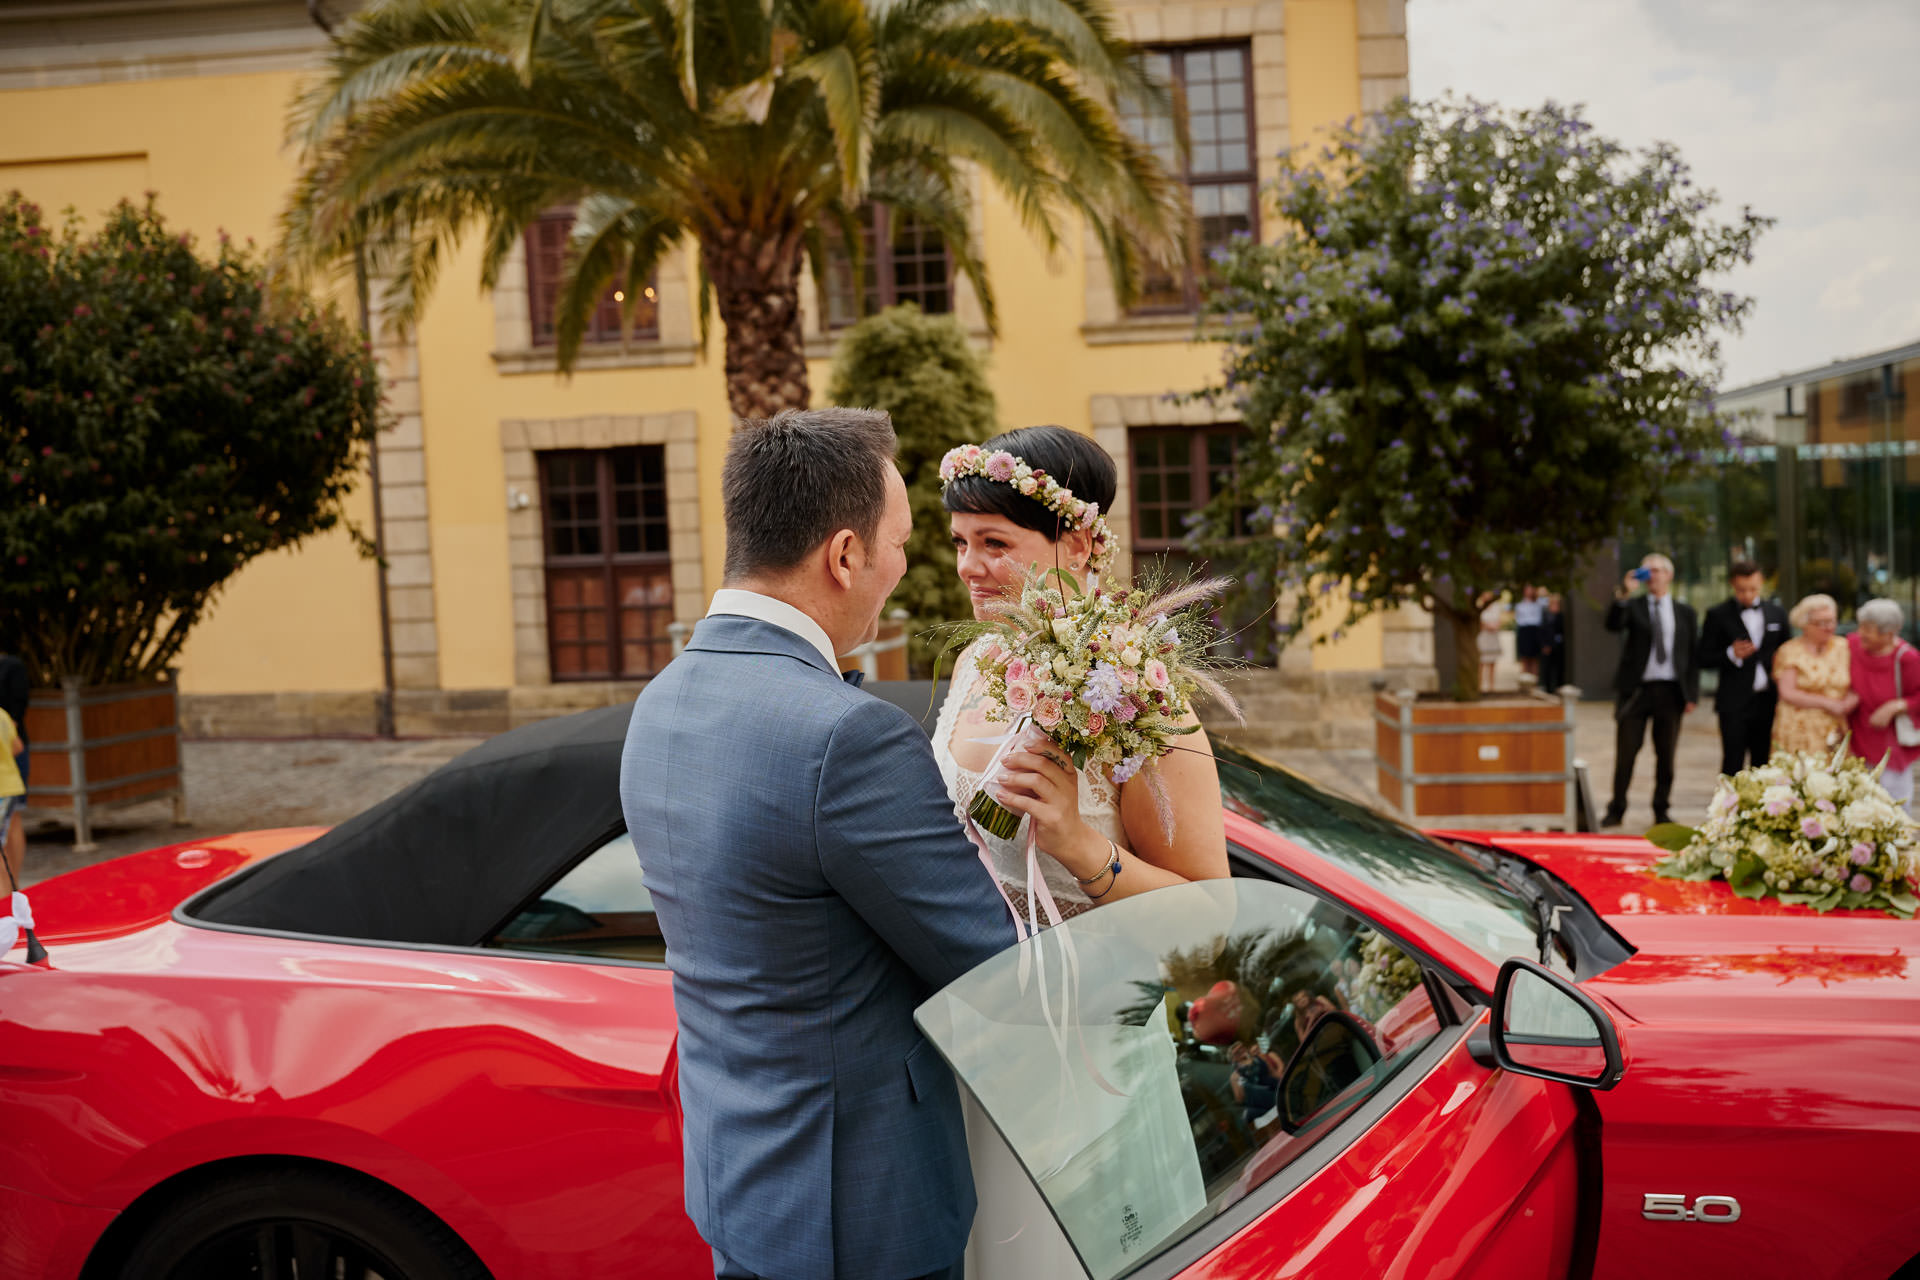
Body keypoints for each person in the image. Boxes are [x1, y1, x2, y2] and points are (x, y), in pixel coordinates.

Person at [619, 408, 1013, 1280]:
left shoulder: (660, 704)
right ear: (843, 555)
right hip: (861, 1217)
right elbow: (993, 966)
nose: (906, 569)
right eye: (901, 543)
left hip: (740, 1189)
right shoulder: (848, 738)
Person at [936, 425, 1229, 920]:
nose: (968, 566)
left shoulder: (1142, 702)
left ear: (1076, 545)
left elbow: (1212, 919)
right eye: (960, 542)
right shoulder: (976, 660)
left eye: (994, 543)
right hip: (967, 981)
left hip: (1086, 988)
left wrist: (1077, 844)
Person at [1603, 553, 1698, 827]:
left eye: (1657, 570)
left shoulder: (1684, 612)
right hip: (1636, 691)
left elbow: (1692, 656)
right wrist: (1624, 592)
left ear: (1669, 575)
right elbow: (1612, 625)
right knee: (1626, 753)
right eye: (1647, 571)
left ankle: (1661, 808)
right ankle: (1616, 808)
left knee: (1666, 755)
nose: (1653, 576)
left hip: (1670, 691)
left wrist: (1690, 694)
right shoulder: (1633, 607)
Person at [1695, 560, 1787, 776]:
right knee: (1733, 761)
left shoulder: (1777, 613)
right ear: (1732, 585)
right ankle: (1728, 808)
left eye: (1753, 589)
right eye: (1741, 590)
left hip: (1768, 699)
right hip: (1733, 701)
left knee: (1764, 762)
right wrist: (1730, 654)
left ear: (1761, 583)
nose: (1747, 595)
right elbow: (1702, 658)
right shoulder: (1717, 615)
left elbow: (1786, 651)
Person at [1846, 599, 1920, 806]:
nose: (1861, 633)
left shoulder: (1907, 658)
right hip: (1856, 738)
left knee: (1892, 805)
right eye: (1860, 626)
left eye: (1868, 630)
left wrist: (1895, 706)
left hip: (1889, 746)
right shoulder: (1852, 645)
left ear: (1889, 634)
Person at [1771, 593, 1853, 758]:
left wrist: (1848, 704)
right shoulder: (1789, 650)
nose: (1828, 627)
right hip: (1798, 728)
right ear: (1804, 624)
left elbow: (1857, 685)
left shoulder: (1843, 647)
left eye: (1831, 621)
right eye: (1821, 623)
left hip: (1836, 727)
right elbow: (1787, 692)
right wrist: (1827, 704)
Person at [0, 707, 23, 887]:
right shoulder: (2, 714)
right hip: (11, 783)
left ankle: (5, 899)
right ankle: (14, 889)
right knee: (13, 831)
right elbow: (17, 747)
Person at [1512, 586, 1546, 682]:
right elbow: (1518, 618)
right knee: (1525, 658)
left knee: (1534, 658)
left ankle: (1535, 683)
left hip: (1535, 631)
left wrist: (1540, 593)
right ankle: (1524, 683)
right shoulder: (1520, 605)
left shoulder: (1539, 603)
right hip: (1524, 631)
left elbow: (1546, 600)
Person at [1538, 593, 1567, 693]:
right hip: (1548, 645)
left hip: (1558, 646)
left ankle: (1559, 687)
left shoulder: (1560, 616)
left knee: (1559, 667)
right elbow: (1543, 632)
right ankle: (1547, 687)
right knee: (1547, 667)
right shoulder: (1546, 617)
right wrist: (1545, 644)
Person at [1477, 596, 1506, 693]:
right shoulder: (1478, 606)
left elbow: (1499, 620)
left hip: (1493, 638)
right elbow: (1480, 622)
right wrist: (1489, 626)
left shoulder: (1496, 607)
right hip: (1484, 637)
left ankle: (1491, 686)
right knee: (1481, 662)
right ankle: (1479, 685)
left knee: (1492, 662)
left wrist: (1495, 626)